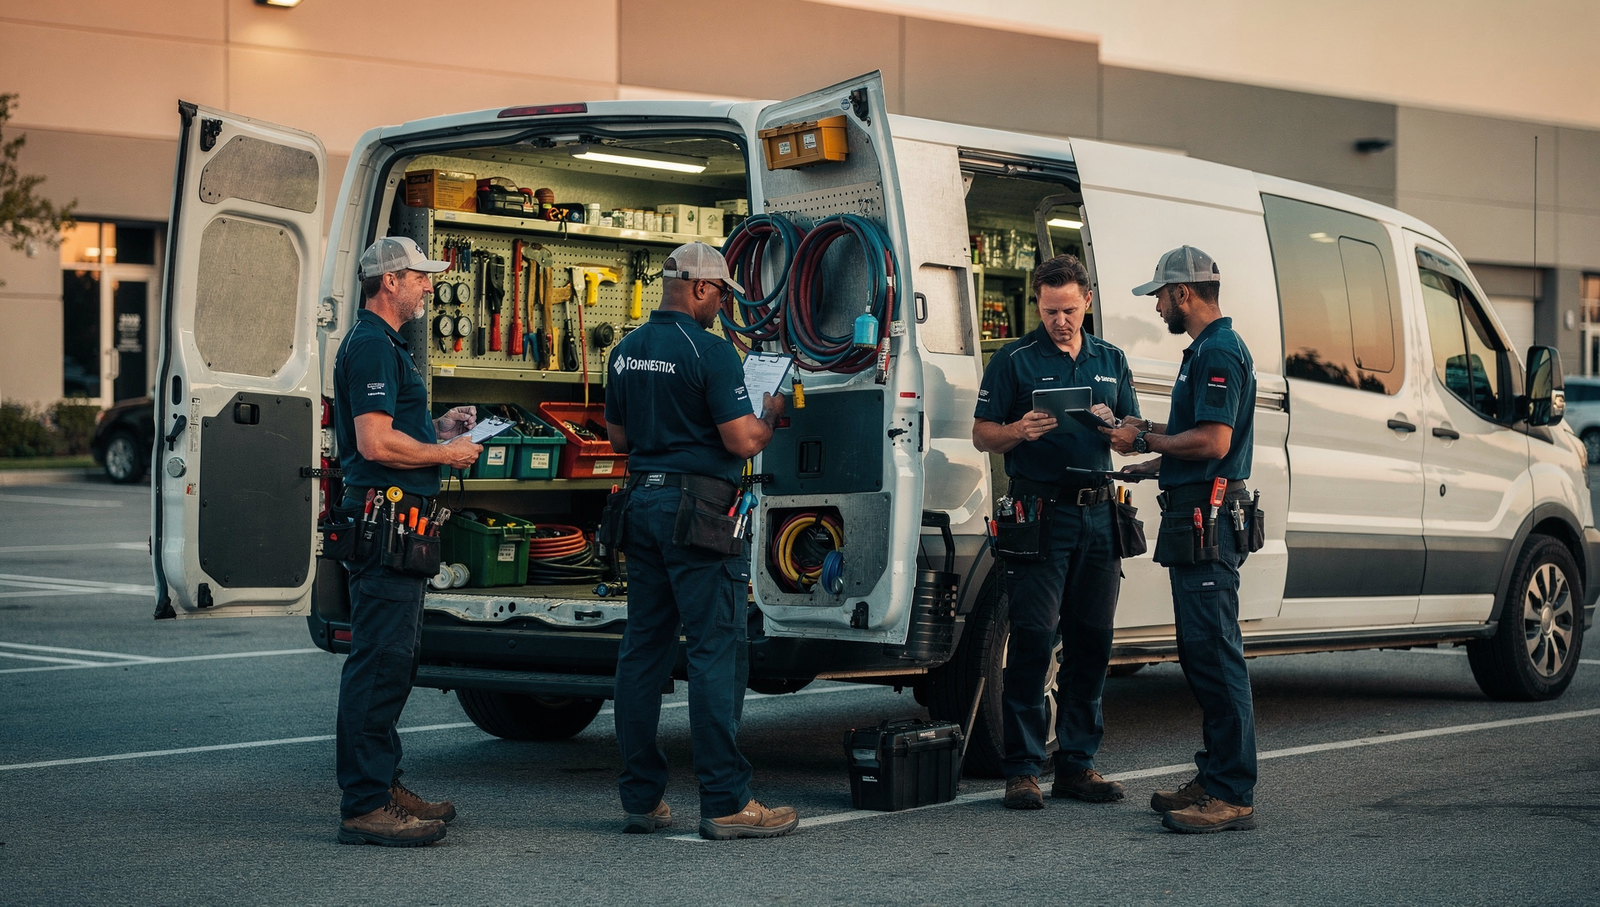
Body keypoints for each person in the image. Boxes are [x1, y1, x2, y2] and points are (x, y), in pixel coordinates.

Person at [603, 242, 797, 841]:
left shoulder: (625, 351)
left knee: (643, 651)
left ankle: (641, 799)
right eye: (719, 296)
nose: (719, 307)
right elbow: (742, 441)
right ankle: (725, 801)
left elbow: (618, 439)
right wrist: (771, 412)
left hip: (642, 504)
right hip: (701, 513)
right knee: (715, 650)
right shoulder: (710, 352)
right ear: (703, 289)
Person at [972, 254, 1141, 811]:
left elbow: (1133, 429)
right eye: (1049, 312)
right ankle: (1022, 770)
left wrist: (1121, 434)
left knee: (1092, 642)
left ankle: (1077, 765)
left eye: (1068, 310)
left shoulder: (1111, 359)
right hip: (1039, 513)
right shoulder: (1014, 360)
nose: (1060, 321)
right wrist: (1018, 430)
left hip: (1099, 511)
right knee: (1032, 639)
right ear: (1037, 306)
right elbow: (981, 435)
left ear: (1087, 302)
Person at [1103, 245, 1260, 834]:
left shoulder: (1218, 351)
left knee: (1217, 656)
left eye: (1162, 295)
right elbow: (1196, 438)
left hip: (1209, 521)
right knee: (1202, 654)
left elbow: (1215, 443)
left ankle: (1232, 793)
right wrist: (1148, 449)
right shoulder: (1207, 350)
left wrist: (1147, 443)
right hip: (1197, 511)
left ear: (1185, 294)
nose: (1159, 306)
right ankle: (1215, 774)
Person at [332, 235, 483, 846]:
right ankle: (365, 805)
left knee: (395, 661)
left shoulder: (385, 345)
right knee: (378, 663)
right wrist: (445, 453)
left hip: (395, 522)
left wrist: (435, 428)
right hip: (384, 520)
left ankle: (383, 784)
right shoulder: (371, 345)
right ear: (389, 281)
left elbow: (394, 430)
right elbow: (373, 445)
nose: (429, 285)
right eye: (421, 276)